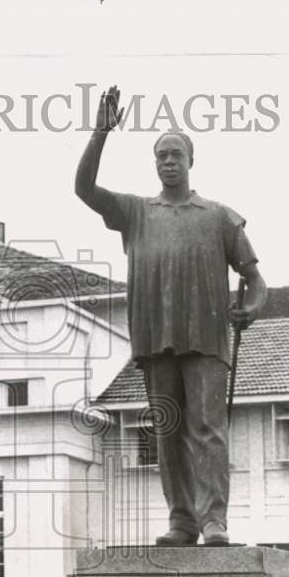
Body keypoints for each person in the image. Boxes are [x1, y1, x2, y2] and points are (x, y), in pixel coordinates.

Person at [75, 85, 267, 547]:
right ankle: (182, 520)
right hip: (154, 337)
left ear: (190, 161)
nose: (168, 160)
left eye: (176, 153)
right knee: (169, 431)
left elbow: (256, 280)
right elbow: (84, 188)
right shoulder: (136, 212)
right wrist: (101, 132)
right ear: (154, 163)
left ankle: (213, 520)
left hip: (206, 338)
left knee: (207, 431)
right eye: (161, 154)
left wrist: (251, 308)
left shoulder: (219, 217)